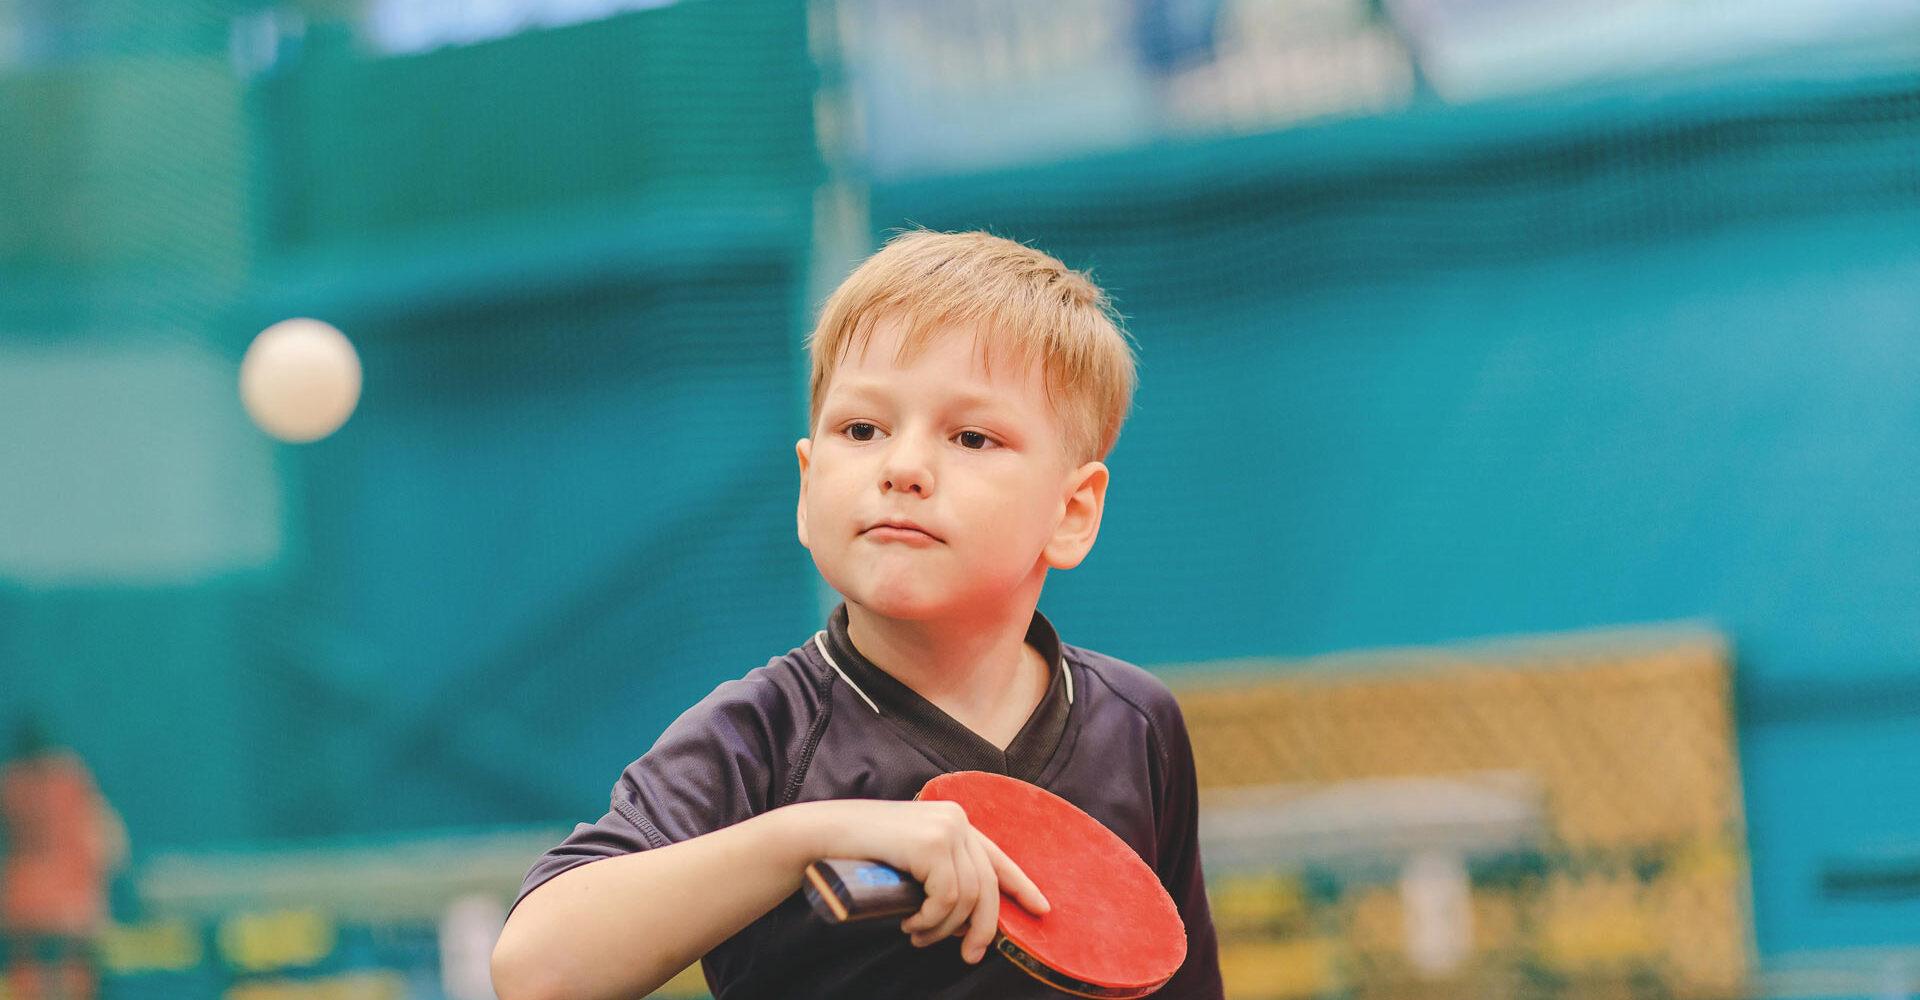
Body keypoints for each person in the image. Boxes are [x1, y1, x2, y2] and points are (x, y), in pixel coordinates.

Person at [491, 230, 1224, 999]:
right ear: (808, 489)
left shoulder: (1140, 727)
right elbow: (535, 970)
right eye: (862, 430)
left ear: (1072, 512)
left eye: (972, 436)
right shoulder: (757, 739)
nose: (903, 467)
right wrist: (814, 835)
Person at [0, 716, 129, 1000]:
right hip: (72, 904)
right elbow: (109, 844)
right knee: (74, 975)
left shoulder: (9, 785)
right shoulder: (71, 781)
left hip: (21, 904)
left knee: (30, 977)